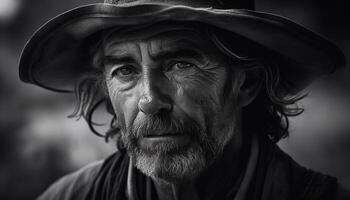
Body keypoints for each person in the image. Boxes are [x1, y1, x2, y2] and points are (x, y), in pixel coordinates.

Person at [19, 0, 349, 199]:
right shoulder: (73, 196)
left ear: (247, 83)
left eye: (181, 65)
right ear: (106, 93)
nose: (150, 101)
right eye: (125, 71)